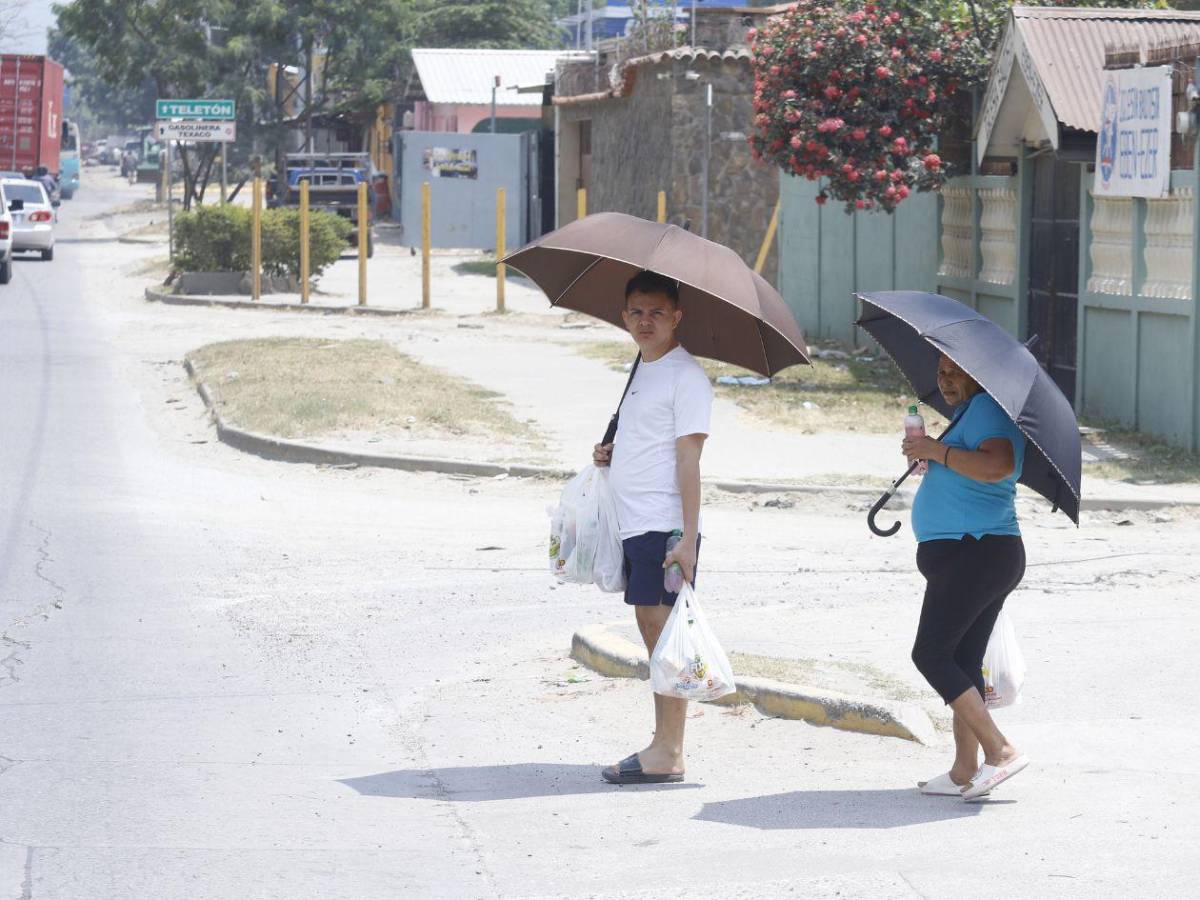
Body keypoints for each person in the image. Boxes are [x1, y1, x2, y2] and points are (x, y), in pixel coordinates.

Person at [592, 270, 713, 785]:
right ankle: (665, 745)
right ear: (624, 316)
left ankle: (669, 750)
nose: (646, 321)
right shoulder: (643, 367)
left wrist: (687, 538)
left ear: (677, 317)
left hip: (664, 528)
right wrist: (611, 455)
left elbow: (689, 459)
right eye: (637, 312)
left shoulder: (687, 377)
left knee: (664, 634)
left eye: (657, 313)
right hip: (635, 523)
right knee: (652, 631)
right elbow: (650, 441)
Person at [900, 354, 1030, 801]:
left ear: (980, 373)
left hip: (977, 550)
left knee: (931, 654)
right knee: (961, 660)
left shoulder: (991, 410)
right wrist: (930, 454)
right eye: (940, 372)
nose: (946, 379)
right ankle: (963, 769)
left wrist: (938, 451)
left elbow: (997, 465)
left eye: (956, 371)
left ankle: (1001, 749)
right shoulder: (968, 415)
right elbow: (967, 467)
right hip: (972, 552)